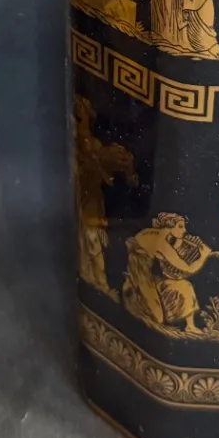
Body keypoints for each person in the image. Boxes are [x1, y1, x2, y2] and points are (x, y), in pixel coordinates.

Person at [71, 95, 136, 295]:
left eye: (83, 111)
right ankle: (97, 281)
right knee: (90, 238)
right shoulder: (82, 138)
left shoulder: (92, 142)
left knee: (94, 238)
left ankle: (99, 282)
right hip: (85, 193)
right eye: (80, 111)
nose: (82, 114)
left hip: (92, 195)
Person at [121, 214, 216, 336]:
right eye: (180, 226)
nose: (184, 230)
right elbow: (187, 268)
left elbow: (167, 261)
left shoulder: (153, 234)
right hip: (141, 277)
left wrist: (179, 242)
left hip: (145, 275)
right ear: (170, 225)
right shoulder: (162, 243)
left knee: (184, 285)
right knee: (157, 317)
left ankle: (190, 326)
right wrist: (203, 256)